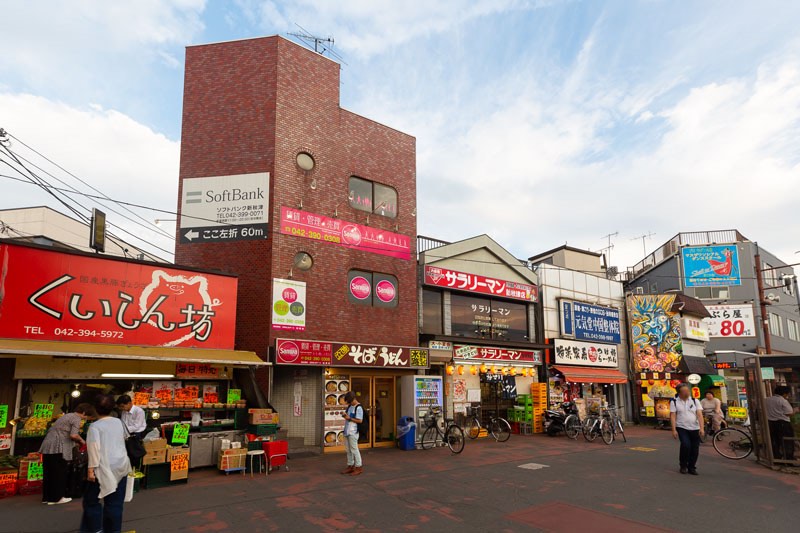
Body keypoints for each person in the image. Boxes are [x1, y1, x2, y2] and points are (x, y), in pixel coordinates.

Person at [80, 394, 131, 533]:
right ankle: (113, 530)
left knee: (91, 501)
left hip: (102, 467)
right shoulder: (118, 422)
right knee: (115, 504)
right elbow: (126, 437)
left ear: (95, 408)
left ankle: (94, 529)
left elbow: (94, 448)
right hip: (121, 465)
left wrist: (91, 470)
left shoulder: (95, 426)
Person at [40, 403, 94, 505]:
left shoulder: (67, 415)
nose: (85, 419)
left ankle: (46, 497)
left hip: (48, 445)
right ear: (83, 412)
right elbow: (73, 435)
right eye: (86, 416)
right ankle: (56, 498)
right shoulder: (76, 418)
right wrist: (82, 441)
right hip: (59, 447)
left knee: (49, 472)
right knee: (58, 472)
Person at [670, 384, 705, 475]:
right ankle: (683, 465)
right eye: (684, 391)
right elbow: (673, 416)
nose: (687, 393)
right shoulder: (674, 402)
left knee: (695, 448)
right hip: (681, 427)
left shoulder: (695, 401)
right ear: (679, 393)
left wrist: (702, 428)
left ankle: (692, 467)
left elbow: (700, 415)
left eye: (687, 391)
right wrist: (673, 430)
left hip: (695, 427)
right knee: (686, 445)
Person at [765, 385, 796, 461]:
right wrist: (796, 410)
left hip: (771, 423)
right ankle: (789, 459)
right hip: (783, 424)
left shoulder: (767, 399)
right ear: (784, 394)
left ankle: (776, 458)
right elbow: (789, 413)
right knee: (787, 441)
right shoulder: (783, 401)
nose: (788, 395)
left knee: (775, 441)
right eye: (788, 394)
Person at [340, 391, 363, 476]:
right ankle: (350, 466)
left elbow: (360, 420)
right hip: (347, 431)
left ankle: (358, 467)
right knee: (348, 450)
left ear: (353, 399)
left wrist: (349, 418)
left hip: (353, 432)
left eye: (350, 401)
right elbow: (348, 417)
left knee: (354, 449)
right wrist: (345, 415)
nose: (349, 403)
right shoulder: (350, 406)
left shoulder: (359, 407)